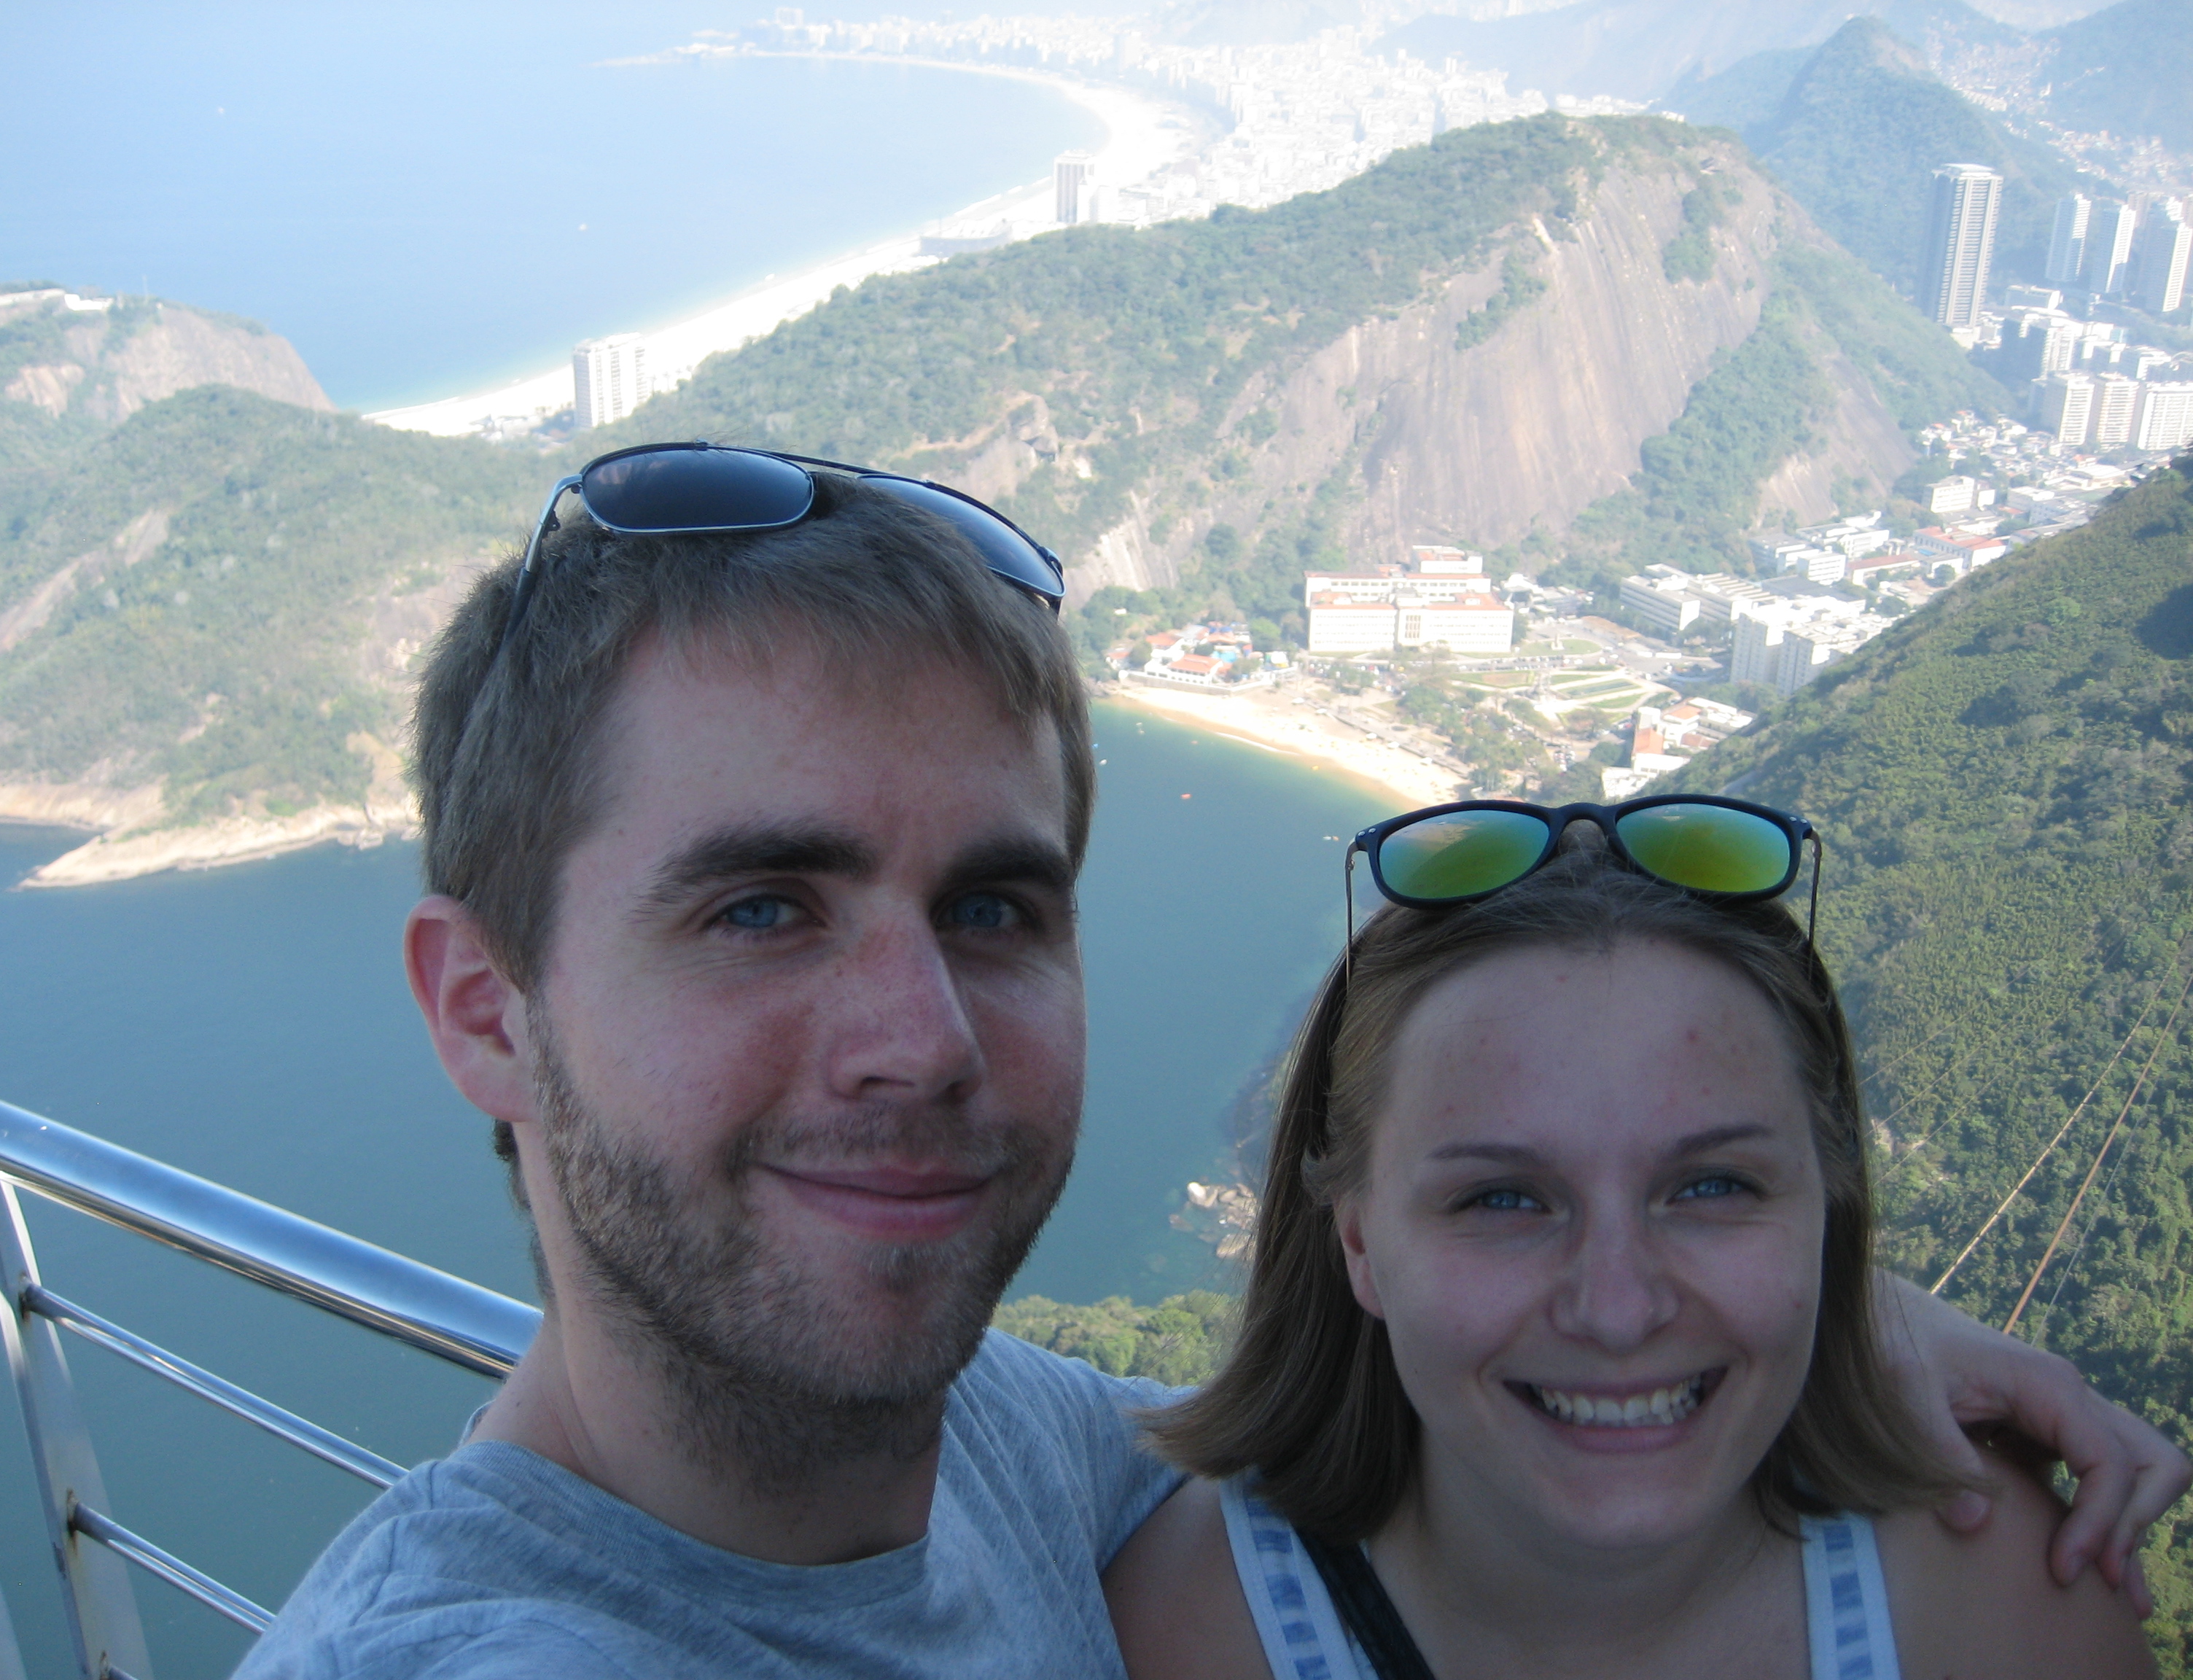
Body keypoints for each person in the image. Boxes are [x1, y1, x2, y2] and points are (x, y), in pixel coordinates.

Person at [237, 444, 2184, 1679]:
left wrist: (1793, 1319)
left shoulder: (1008, 1450)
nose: (919, 1042)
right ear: (487, 1010)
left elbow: (1387, 1385)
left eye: (996, 911)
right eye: (762, 909)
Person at [1105, 806, 2162, 1679]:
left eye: (1710, 1186)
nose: (1617, 1309)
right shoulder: (1174, 1637)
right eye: (1505, 1201)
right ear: (1360, 1245)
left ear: (1826, 1214)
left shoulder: (2016, 1617)